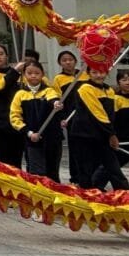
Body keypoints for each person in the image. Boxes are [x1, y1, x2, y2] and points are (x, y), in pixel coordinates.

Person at [75, 65, 129, 190]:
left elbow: (110, 115)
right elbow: (97, 113)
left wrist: (110, 133)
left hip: (102, 134)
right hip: (84, 135)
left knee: (113, 167)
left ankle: (126, 194)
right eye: (94, 72)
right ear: (88, 73)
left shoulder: (109, 90)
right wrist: (112, 134)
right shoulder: (85, 88)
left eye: (102, 72)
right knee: (86, 169)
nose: (99, 75)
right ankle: (86, 196)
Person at [8, 61, 64, 181]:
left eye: (37, 73)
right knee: (36, 173)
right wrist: (29, 133)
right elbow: (15, 117)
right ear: (24, 75)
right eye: (29, 73)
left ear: (42, 74)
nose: (33, 76)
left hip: (52, 138)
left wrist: (56, 103)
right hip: (32, 139)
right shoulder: (20, 94)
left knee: (52, 172)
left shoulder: (49, 91)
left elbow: (53, 99)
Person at [52, 50, 86, 184]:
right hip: (71, 118)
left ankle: (90, 178)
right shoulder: (58, 79)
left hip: (87, 116)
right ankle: (75, 178)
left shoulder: (84, 74)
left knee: (89, 147)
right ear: (60, 63)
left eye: (70, 59)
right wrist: (62, 117)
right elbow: (58, 100)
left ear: (75, 61)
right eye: (64, 60)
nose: (68, 62)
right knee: (75, 148)